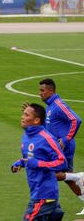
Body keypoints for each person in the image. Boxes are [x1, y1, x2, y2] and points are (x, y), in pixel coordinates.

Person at [12, 103, 67, 220]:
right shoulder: (26, 136)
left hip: (44, 195)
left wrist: (38, 164)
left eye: (26, 115)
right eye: (23, 114)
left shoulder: (47, 138)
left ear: (36, 120)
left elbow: (62, 162)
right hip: (37, 192)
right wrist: (20, 163)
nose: (22, 117)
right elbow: (30, 159)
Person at [39, 78, 84, 215]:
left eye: (42, 90)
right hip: (55, 148)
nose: (40, 93)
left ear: (51, 91)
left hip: (64, 148)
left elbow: (76, 120)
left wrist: (66, 139)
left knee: (51, 174)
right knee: (66, 178)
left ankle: (46, 207)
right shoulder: (49, 106)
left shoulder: (58, 105)